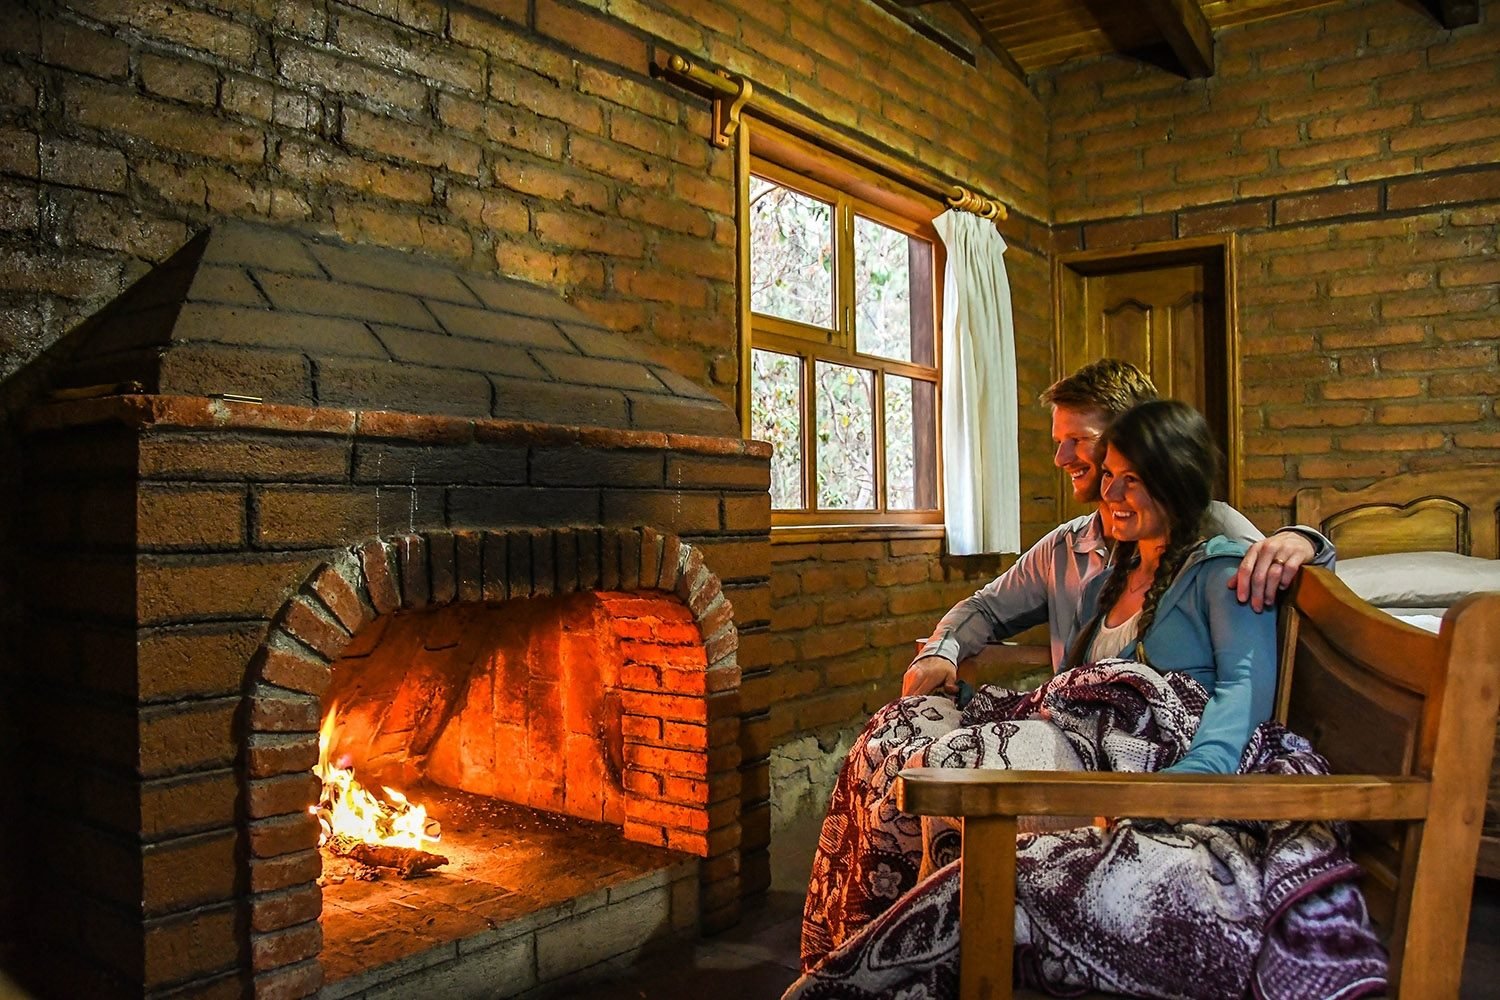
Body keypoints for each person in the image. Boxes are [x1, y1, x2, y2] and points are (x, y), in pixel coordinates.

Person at [903, 358, 1331, 698]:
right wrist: (940, 654)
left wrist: (1303, 539)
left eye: (1079, 439)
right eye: (1058, 441)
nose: (1061, 458)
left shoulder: (1213, 530)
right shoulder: (1066, 549)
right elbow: (985, 608)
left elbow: (1301, 605)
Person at [1067, 398, 1275, 772]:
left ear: (1176, 483)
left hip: (1163, 777)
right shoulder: (1099, 590)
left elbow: (1243, 689)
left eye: (1131, 479)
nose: (1110, 494)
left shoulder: (1219, 574)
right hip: (1084, 769)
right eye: (1110, 475)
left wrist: (1194, 778)